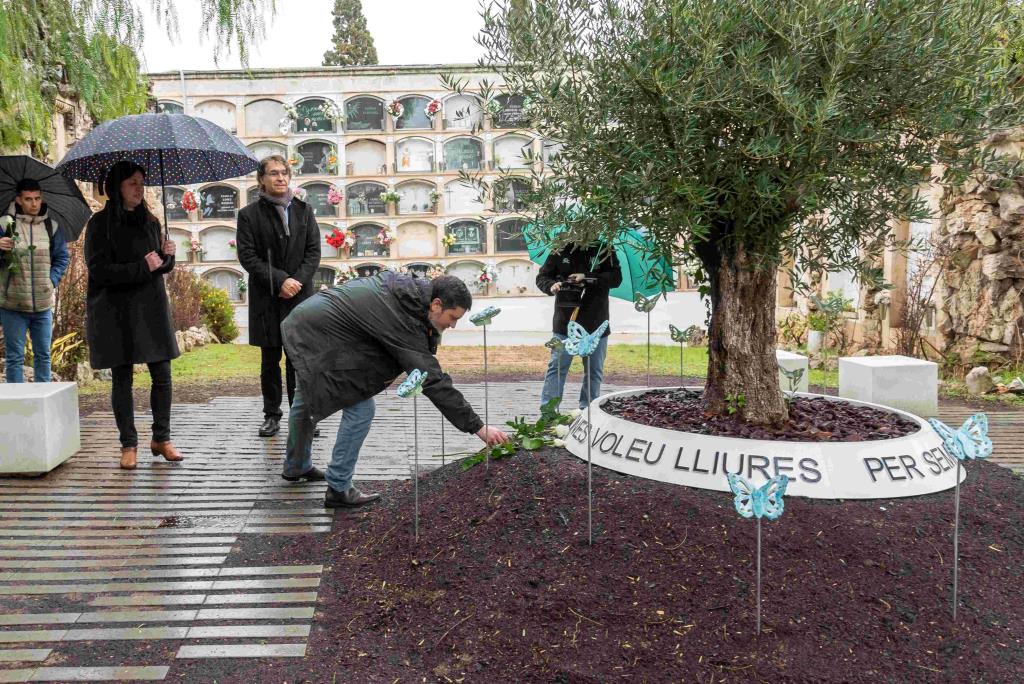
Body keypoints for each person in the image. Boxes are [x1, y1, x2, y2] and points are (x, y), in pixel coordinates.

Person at [280, 272, 510, 506]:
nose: (452, 325)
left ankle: (296, 465)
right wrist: (478, 427)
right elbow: (430, 378)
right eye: (452, 317)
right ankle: (338, 487)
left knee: (306, 397)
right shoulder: (402, 316)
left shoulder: (410, 297)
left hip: (307, 322)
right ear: (436, 304)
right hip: (316, 333)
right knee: (361, 409)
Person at [84, 161, 182, 470]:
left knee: (162, 376)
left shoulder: (150, 221)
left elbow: (160, 266)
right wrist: (145, 266)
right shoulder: (100, 224)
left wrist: (169, 255)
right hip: (116, 311)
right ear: (117, 187)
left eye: (141, 182)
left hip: (150, 308)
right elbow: (98, 270)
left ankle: (161, 438)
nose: (139, 188)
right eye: (132, 183)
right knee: (122, 378)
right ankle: (129, 443)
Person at [236, 155, 321, 437]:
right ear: (261, 179)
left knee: (299, 360)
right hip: (268, 297)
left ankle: (304, 414)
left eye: (284, 173)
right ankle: (272, 415)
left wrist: (296, 280)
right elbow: (248, 256)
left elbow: (313, 252)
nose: (280, 178)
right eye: (273, 173)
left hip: (300, 296)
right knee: (270, 360)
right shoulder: (249, 215)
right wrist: (281, 280)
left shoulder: (304, 210)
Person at [536, 242, 622, 411]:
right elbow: (542, 277)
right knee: (557, 367)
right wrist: (551, 285)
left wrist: (588, 277)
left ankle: (588, 410)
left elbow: (616, 278)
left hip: (596, 323)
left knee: (594, 371)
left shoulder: (604, 249)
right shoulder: (559, 249)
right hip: (565, 322)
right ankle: (549, 411)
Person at [0, 178, 71, 383]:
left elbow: (62, 257)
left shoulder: (51, 226)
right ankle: (16, 409)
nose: (34, 203)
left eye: (37, 198)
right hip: (12, 304)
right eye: (28, 199)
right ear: (18, 200)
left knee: (44, 356)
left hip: (42, 304)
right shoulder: (5, 225)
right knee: (14, 359)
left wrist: (51, 280)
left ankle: (43, 407)